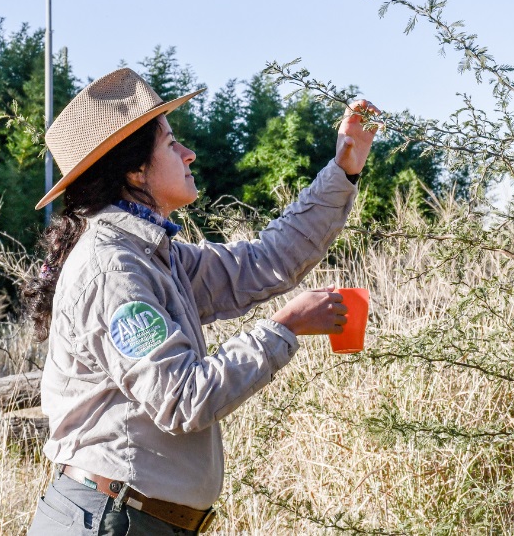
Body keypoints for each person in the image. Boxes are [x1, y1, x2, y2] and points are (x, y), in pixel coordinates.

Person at [22, 67, 379, 535]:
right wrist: (284, 328)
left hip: (125, 519)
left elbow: (265, 261)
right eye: (171, 143)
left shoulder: (150, 255)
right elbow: (182, 398)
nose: (188, 153)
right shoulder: (115, 270)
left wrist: (344, 168)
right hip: (112, 522)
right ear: (133, 170)